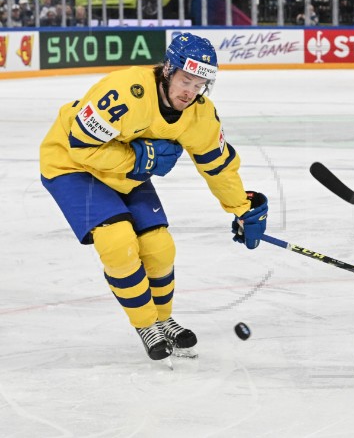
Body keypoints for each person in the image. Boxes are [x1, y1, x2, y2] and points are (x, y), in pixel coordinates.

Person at [39, 33, 269, 361]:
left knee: (159, 246)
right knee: (117, 241)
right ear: (167, 71)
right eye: (185, 80)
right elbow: (81, 145)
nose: (190, 92)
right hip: (70, 164)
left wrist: (243, 208)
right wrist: (138, 160)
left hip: (122, 170)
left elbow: (218, 166)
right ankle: (146, 325)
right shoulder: (124, 93)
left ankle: (163, 319)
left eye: (199, 84)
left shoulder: (200, 114)